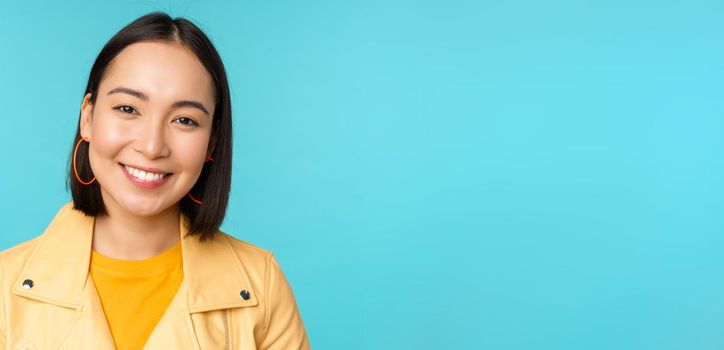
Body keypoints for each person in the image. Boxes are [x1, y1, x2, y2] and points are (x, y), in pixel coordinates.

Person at [0, 12, 310, 349]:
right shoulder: (5, 285)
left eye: (184, 119)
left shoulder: (261, 284)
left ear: (213, 141)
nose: (151, 147)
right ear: (88, 117)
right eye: (128, 109)